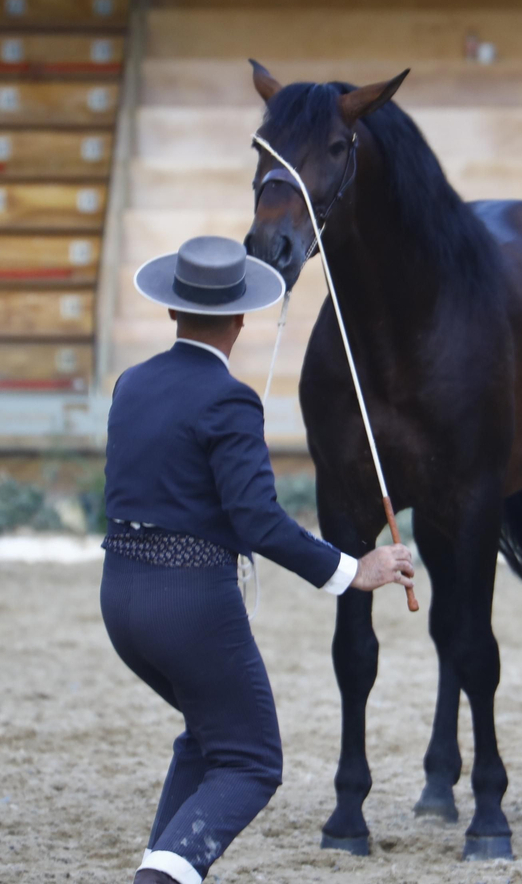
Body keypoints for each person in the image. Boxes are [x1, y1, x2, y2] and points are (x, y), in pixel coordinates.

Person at [102, 235, 415, 884]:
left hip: (120, 600)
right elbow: (258, 521)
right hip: (188, 605)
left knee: (208, 736)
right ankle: (157, 879)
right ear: (241, 318)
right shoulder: (231, 399)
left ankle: (160, 872)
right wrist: (354, 571)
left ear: (171, 311)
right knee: (250, 761)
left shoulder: (131, 385)